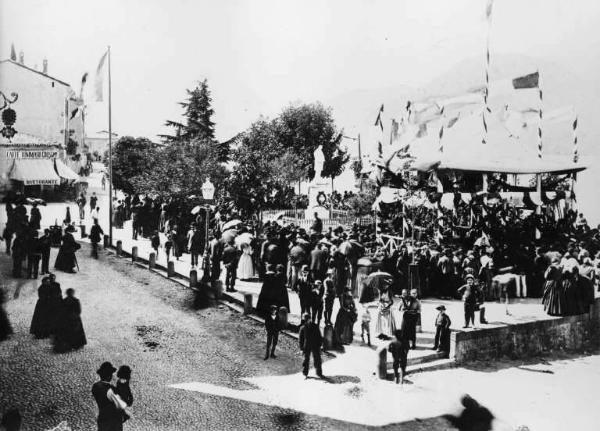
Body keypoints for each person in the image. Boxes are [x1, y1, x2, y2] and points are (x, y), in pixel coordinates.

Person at [91, 361, 125, 431]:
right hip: (114, 422)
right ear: (109, 376)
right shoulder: (112, 389)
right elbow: (120, 405)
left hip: (102, 418)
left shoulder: (95, 386)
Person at [53, 288, 87, 352]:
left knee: (73, 332)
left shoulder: (68, 300)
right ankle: (74, 344)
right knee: (73, 332)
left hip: (72, 319)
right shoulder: (71, 300)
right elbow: (78, 310)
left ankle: (74, 344)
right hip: (71, 319)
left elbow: (78, 311)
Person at [298, 312, 323, 378]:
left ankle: (319, 372)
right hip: (306, 346)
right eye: (305, 320)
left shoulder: (315, 326)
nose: (307, 321)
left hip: (315, 345)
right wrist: (301, 348)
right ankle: (305, 372)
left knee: (317, 359)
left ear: (310, 319)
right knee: (306, 360)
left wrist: (320, 345)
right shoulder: (302, 328)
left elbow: (319, 336)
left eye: (308, 319)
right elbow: (301, 339)